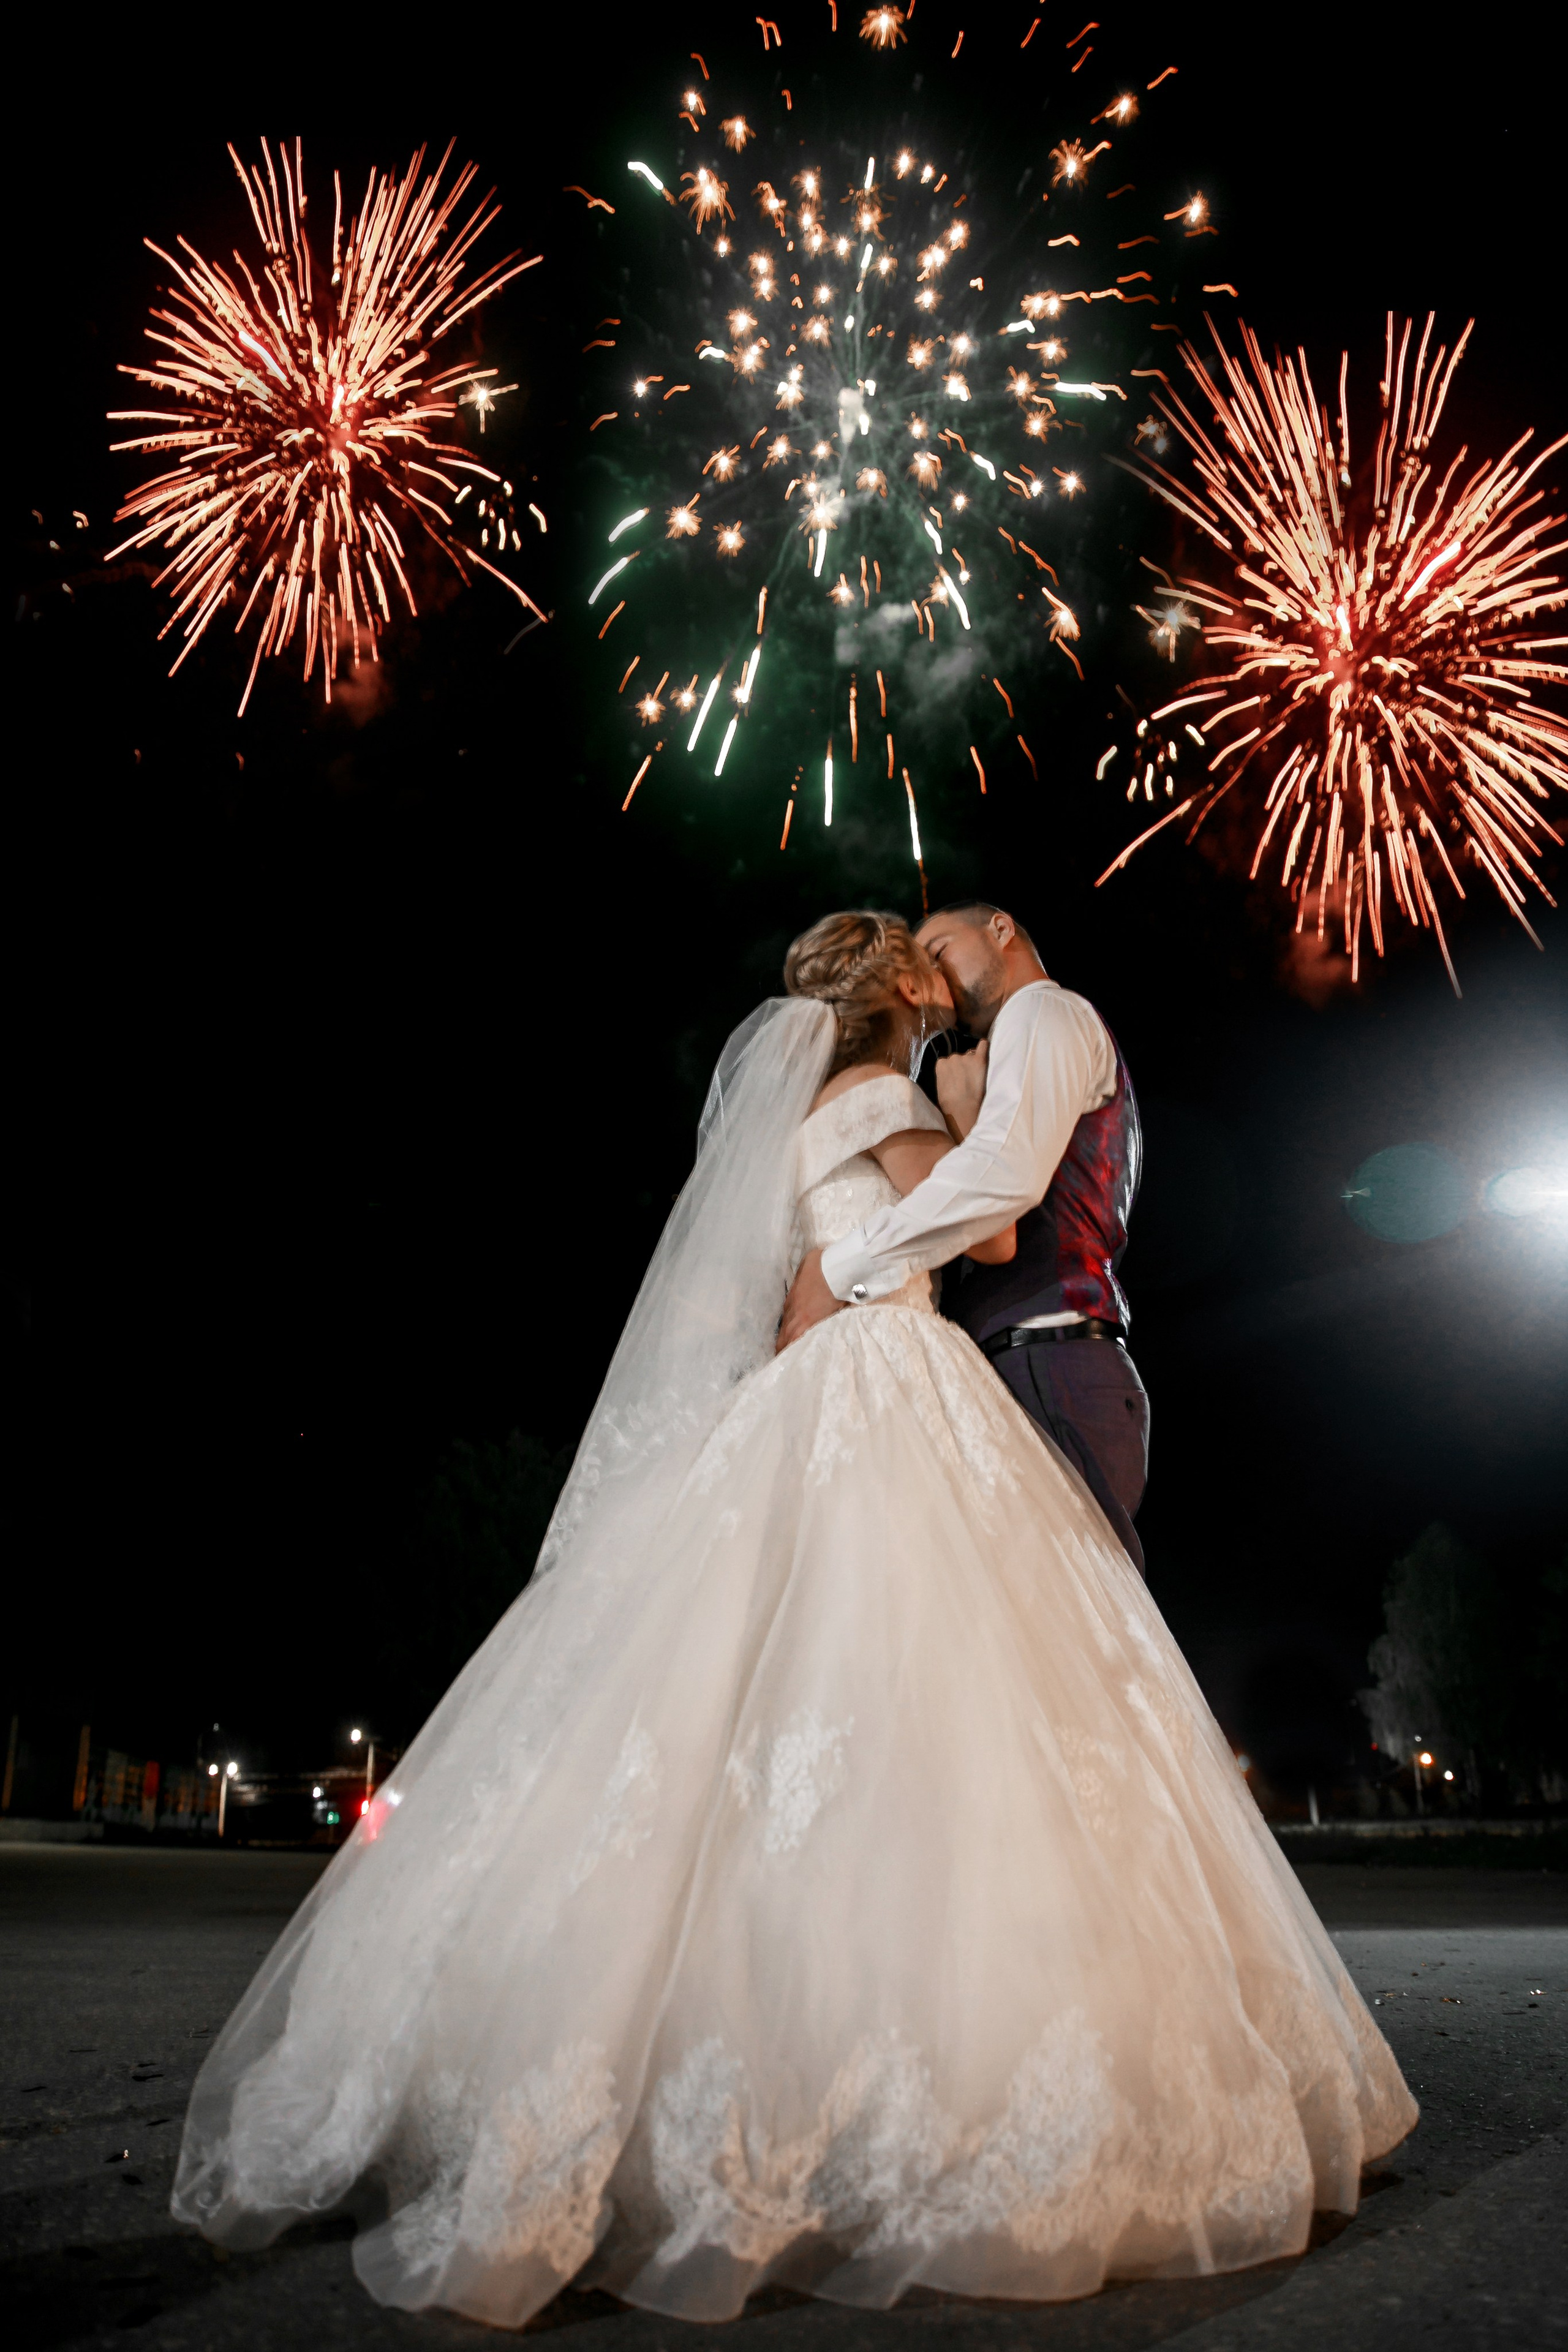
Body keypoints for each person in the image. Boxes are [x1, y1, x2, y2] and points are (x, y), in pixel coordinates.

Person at [171, 911, 1414, 2331]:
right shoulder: (889, 1094)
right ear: (897, 989)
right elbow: (996, 1223)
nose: (935, 965)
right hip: (900, 1372)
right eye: (917, 953)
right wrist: (951, 1118)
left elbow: (793, 1303)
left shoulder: (806, 1114)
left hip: (817, 1371)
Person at [779, 902, 1150, 1572]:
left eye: (940, 944)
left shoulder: (1044, 1013)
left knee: (1075, 1619)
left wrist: (842, 1266)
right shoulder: (1006, 1046)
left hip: (1050, 1356)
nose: (928, 968)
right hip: (1019, 1365)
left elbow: (1004, 1179)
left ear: (1001, 929)